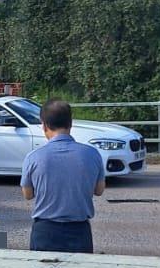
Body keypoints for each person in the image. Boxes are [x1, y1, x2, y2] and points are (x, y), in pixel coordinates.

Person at [20, 98, 106, 253]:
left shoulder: (33, 157)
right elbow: (99, 190)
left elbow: (28, 194)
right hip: (80, 231)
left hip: (44, 231)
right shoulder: (92, 154)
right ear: (70, 123)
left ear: (44, 125)